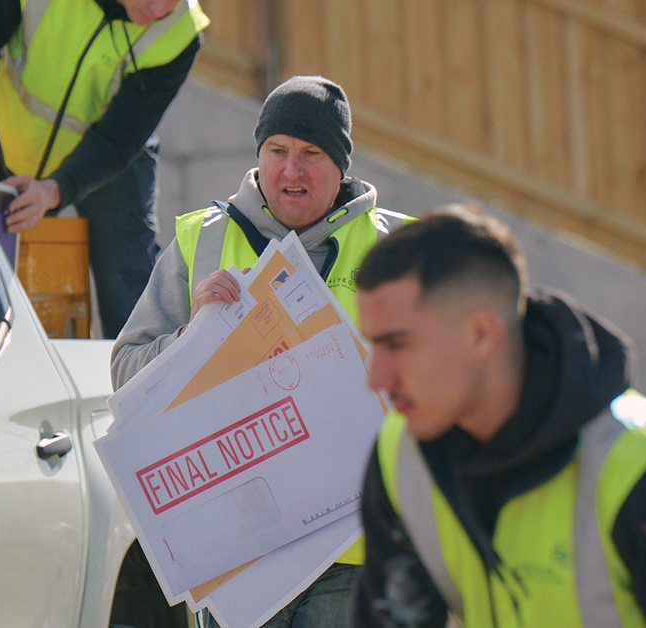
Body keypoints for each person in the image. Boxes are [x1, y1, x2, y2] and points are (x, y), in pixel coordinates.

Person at [349, 205, 646, 628]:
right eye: (373, 345)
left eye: (397, 345)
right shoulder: (400, 454)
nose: (376, 378)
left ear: (480, 334)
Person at [112, 75, 413, 628]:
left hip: (355, 555)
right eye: (277, 151)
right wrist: (189, 340)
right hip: (237, 555)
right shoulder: (199, 243)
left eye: (311, 154)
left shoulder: (399, 250)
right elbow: (125, 372)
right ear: (259, 155)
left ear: (341, 165)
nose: (290, 170)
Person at [0, 0, 209, 338]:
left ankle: (142, 382)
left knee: (128, 292)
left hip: (111, 161)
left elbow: (118, 137)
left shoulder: (180, 34)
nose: (157, 11)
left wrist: (54, 189)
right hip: (10, 143)